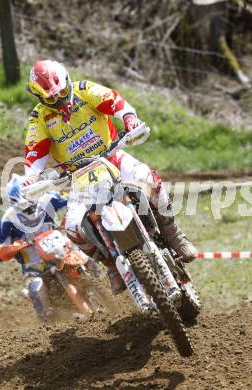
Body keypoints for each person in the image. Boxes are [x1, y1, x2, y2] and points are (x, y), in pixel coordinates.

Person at [24, 60, 197, 294]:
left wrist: (129, 118)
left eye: (63, 92)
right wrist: (31, 177)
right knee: (74, 228)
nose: (60, 100)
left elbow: (115, 101)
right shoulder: (39, 118)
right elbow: (35, 152)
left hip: (112, 157)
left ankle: (174, 235)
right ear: (39, 97)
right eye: (51, 98)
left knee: (149, 182)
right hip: (79, 176)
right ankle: (112, 265)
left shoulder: (85, 90)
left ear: (67, 80)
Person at [0, 174, 68, 321]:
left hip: (61, 249)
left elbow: (72, 201)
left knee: (85, 258)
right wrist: (8, 249)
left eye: (31, 204)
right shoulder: (8, 219)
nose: (30, 210)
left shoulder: (48, 199)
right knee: (36, 288)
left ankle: (103, 281)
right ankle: (47, 324)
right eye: (24, 207)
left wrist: (69, 217)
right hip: (35, 266)